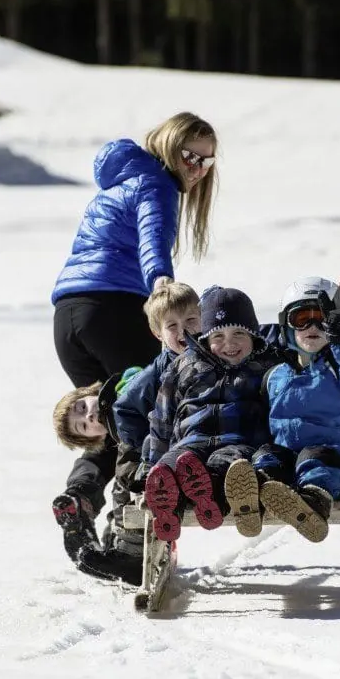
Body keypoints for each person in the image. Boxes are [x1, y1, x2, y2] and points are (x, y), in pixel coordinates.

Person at [49, 113, 218, 576]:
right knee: (145, 421)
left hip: (70, 317)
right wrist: (160, 282)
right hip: (114, 312)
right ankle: (130, 543)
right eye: (190, 156)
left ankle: (80, 499)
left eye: (206, 160)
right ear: (168, 148)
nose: (198, 167)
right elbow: (152, 238)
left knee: (108, 425)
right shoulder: (156, 184)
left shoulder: (122, 179)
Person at [50, 282, 201, 583]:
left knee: (126, 479)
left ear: (89, 391)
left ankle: (121, 546)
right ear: (96, 438)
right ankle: (119, 544)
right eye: (85, 426)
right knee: (126, 484)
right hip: (165, 449)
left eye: (82, 408)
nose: (89, 416)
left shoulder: (126, 380)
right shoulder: (114, 434)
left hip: (178, 444)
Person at [230, 277, 340, 543]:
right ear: (287, 326)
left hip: (336, 458)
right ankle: (259, 495)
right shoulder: (276, 375)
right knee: (269, 456)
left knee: (315, 461)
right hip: (288, 456)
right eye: (302, 318)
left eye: (322, 319)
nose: (312, 326)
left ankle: (313, 504)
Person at [141, 286, 278, 543]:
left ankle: (210, 501)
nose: (229, 344)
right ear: (205, 336)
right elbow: (162, 416)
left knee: (226, 466)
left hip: (239, 442)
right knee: (172, 467)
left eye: (239, 333)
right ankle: (168, 509)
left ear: (254, 334)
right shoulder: (185, 364)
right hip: (189, 443)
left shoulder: (266, 365)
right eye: (218, 336)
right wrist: (153, 462)